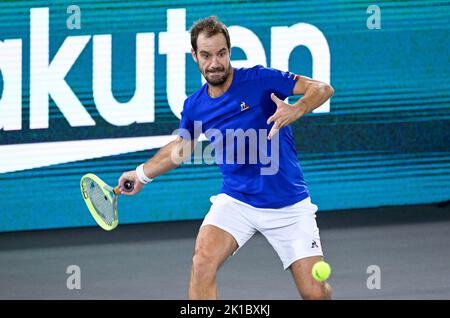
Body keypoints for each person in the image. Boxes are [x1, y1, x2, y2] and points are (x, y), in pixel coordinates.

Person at [118, 16, 334, 300]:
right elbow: (181, 149)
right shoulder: (195, 105)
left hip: (288, 205)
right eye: (206, 55)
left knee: (315, 294)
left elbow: (322, 88)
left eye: (221, 53)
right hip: (237, 201)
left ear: (229, 51)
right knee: (202, 262)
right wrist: (141, 174)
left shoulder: (260, 80)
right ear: (195, 55)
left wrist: (297, 109)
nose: (215, 63)